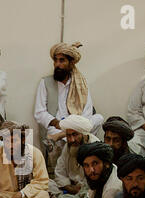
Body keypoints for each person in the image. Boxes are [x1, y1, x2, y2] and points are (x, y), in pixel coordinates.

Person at [34, 42, 103, 176]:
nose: (57, 64)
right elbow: (39, 112)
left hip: (78, 125)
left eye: (62, 60)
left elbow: (87, 112)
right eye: (55, 60)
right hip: (56, 127)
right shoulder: (45, 82)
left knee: (98, 117)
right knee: (73, 134)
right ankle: (65, 135)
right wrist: (57, 123)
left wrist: (75, 126)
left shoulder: (81, 83)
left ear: (71, 63)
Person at [49, 115, 100, 198]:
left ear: (84, 134)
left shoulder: (95, 147)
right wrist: (70, 188)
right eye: (68, 136)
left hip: (88, 193)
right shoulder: (69, 146)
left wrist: (80, 191)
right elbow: (59, 171)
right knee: (47, 183)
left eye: (75, 135)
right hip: (70, 190)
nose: (71, 139)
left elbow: (95, 179)